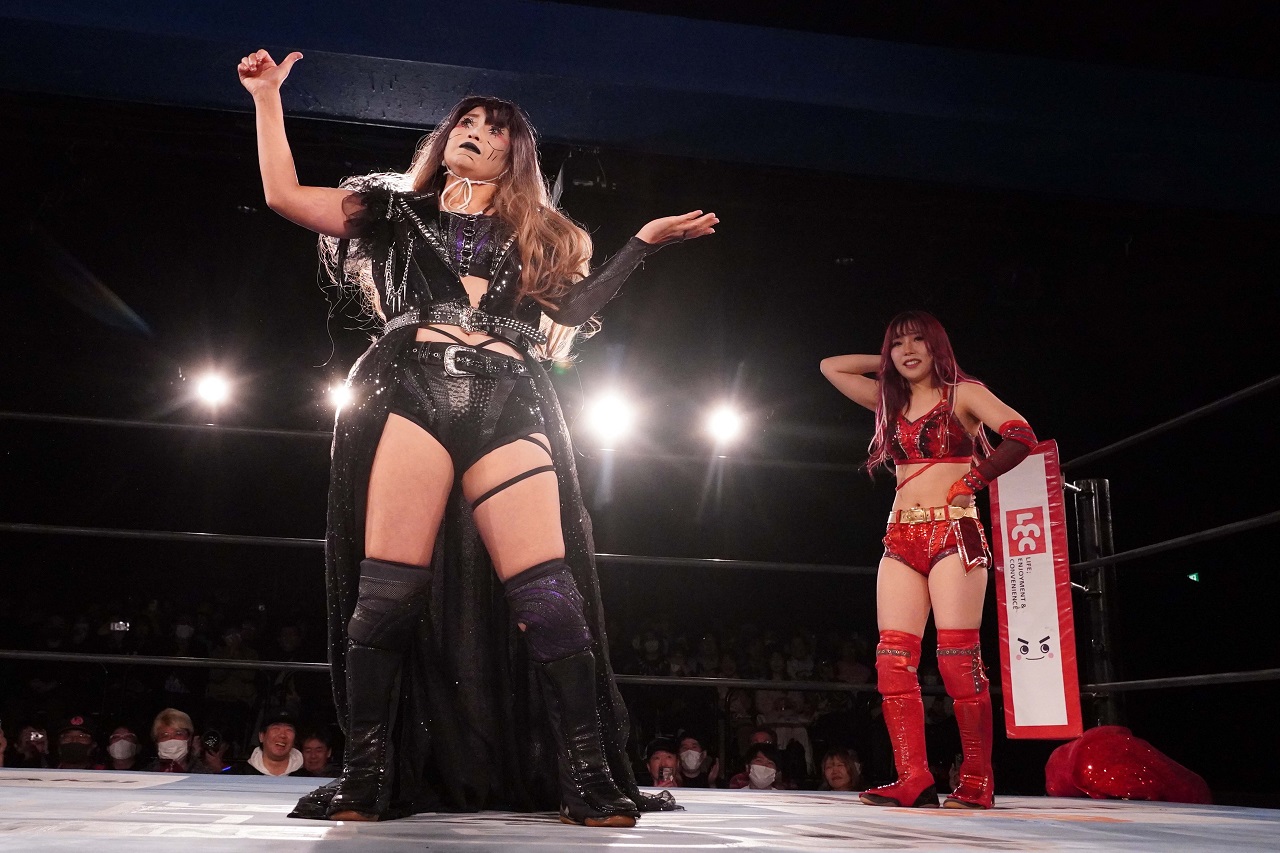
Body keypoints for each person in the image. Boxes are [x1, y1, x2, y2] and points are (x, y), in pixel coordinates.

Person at [237, 49, 714, 826]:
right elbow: (285, 196)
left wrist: (641, 244)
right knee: (385, 596)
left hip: (509, 396)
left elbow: (571, 312)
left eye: (496, 129)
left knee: (549, 597)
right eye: (467, 121)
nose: (477, 133)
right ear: (446, 136)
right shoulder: (390, 209)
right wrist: (266, 98)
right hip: (410, 388)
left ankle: (588, 775)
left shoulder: (544, 233)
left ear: (513, 154)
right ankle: (367, 773)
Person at [820, 310, 1038, 810]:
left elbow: (1022, 435)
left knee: (958, 661)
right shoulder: (889, 400)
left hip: (953, 531)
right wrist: (890, 362)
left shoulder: (964, 393)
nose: (908, 350)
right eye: (898, 344)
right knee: (892, 661)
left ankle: (977, 781)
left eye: (918, 341)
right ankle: (913, 779)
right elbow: (831, 366)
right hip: (901, 535)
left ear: (937, 345)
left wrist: (973, 481)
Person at [234, 709, 305, 776]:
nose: (282, 735)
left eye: (289, 730)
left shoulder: (306, 777)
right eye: (276, 729)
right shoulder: (238, 774)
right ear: (261, 736)